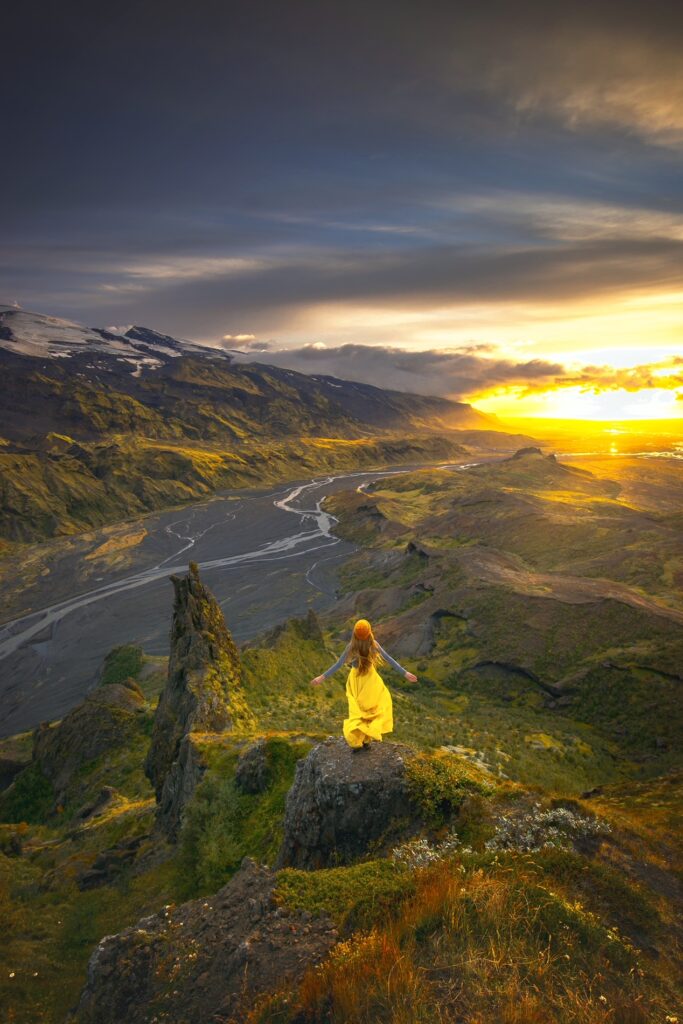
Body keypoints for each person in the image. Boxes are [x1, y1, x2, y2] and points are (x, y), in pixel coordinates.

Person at [310, 618, 418, 750]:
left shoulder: (351, 646)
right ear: (369, 633)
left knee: (358, 710)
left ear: (354, 634)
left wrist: (321, 677)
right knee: (374, 707)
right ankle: (368, 735)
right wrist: (405, 673)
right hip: (371, 679)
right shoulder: (373, 644)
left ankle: (359, 738)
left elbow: (338, 664)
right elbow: (389, 659)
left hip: (356, 680)